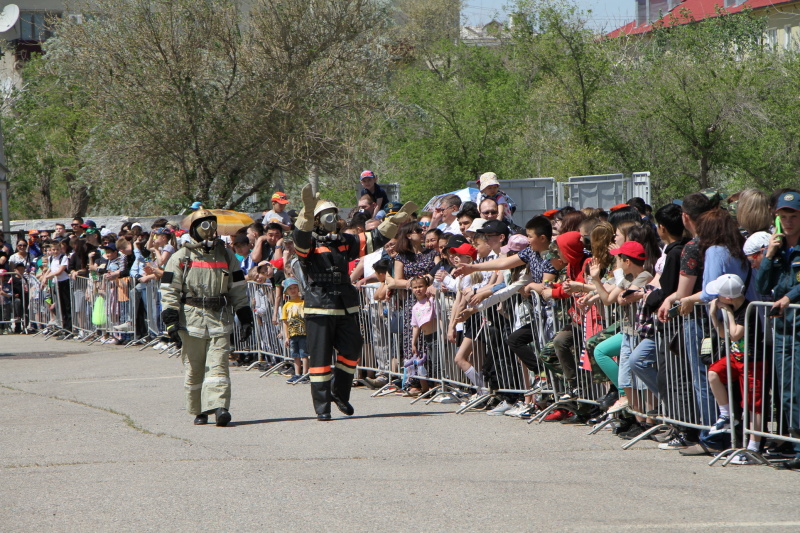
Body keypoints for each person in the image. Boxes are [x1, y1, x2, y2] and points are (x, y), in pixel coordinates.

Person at [293, 184, 412, 420]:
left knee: (352, 349)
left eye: (334, 214)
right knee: (320, 360)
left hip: (345, 303)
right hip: (319, 305)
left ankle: (339, 393)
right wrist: (305, 214)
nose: (332, 218)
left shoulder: (344, 241)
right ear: (316, 221)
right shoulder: (309, 244)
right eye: (327, 215)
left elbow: (374, 238)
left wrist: (393, 222)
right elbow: (300, 237)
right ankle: (322, 407)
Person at [160, 208, 254, 427]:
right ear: (194, 229)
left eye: (212, 225)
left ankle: (221, 407)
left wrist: (245, 315)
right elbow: (168, 289)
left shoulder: (226, 255)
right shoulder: (181, 256)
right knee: (194, 367)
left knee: (219, 365)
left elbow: (238, 287)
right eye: (204, 225)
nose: (210, 230)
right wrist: (171, 320)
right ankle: (199, 409)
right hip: (191, 319)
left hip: (219, 317)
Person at [756, 189, 800, 469]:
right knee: (787, 391)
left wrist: (788, 298)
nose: (788, 221)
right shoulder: (779, 248)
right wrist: (770, 253)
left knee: (797, 389)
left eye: (793, 215)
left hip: (798, 328)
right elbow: (761, 286)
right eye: (783, 216)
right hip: (782, 330)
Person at [705, 274, 767, 465]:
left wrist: (728, 313)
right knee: (713, 373)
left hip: (751, 361)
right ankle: (726, 414)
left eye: (720, 296)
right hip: (735, 357)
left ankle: (753, 448)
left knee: (753, 405)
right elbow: (724, 334)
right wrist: (714, 315)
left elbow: (734, 334)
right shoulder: (730, 306)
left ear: (729, 298)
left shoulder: (746, 309)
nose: (717, 299)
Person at [408, 275, 437, 395]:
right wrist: (413, 342)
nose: (418, 289)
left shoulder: (431, 300)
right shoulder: (415, 307)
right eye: (415, 287)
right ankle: (426, 387)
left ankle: (439, 386)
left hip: (436, 335)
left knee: (437, 362)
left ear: (426, 287)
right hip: (426, 337)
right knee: (427, 363)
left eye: (421, 286)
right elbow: (415, 326)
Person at [281, 278, 309, 384]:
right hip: (292, 333)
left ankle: (305, 374)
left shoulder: (303, 302)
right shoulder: (286, 305)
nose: (293, 290)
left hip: (304, 332)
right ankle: (297, 374)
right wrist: (286, 336)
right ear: (286, 291)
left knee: (304, 354)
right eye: (290, 289)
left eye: (295, 288)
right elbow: (285, 322)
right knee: (295, 355)